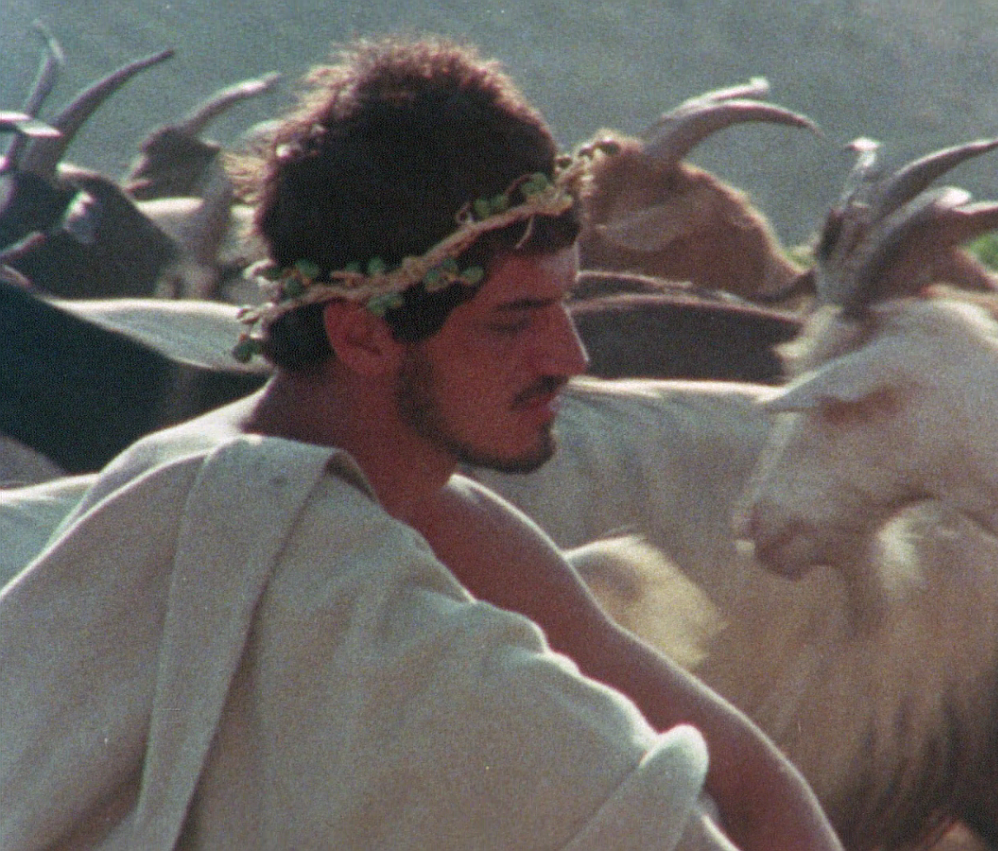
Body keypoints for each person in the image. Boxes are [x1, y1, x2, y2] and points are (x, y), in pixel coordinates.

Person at [0, 35, 841, 850]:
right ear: (363, 335)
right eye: (514, 320)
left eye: (564, 303)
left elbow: (755, 784)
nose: (571, 356)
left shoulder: (389, 504)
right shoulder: (418, 660)